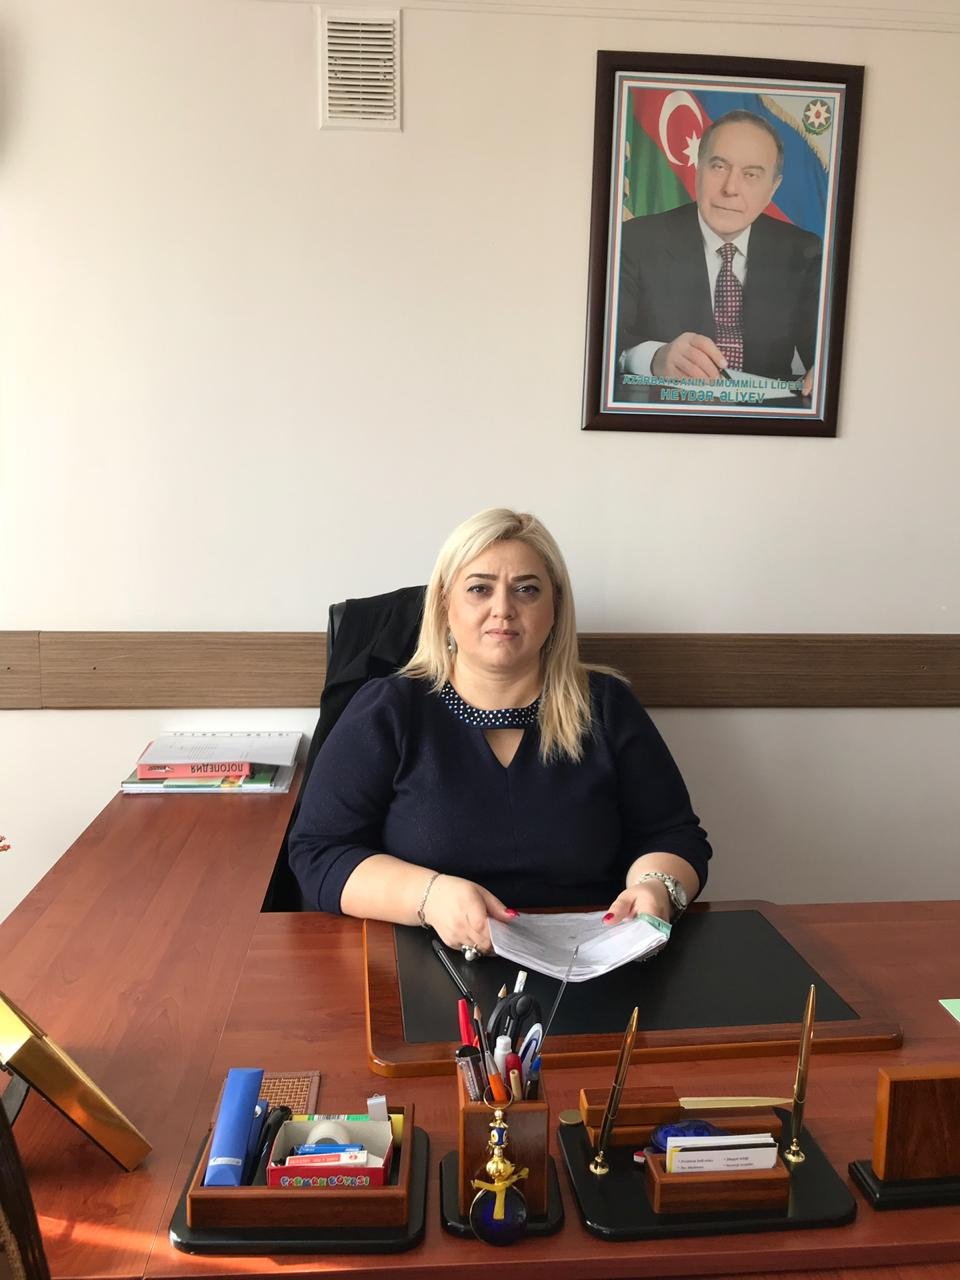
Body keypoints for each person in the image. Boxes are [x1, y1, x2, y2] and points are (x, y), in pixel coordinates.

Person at [288, 508, 711, 956]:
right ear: (444, 604)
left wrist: (657, 887)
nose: (503, 609)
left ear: (555, 607)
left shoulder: (606, 706)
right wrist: (429, 896)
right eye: (479, 589)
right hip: (423, 958)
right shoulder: (388, 710)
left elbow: (673, 834)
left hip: (588, 959)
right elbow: (318, 851)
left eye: (527, 589)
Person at [616, 109, 822, 388]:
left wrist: (825, 368)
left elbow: (826, 347)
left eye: (751, 174)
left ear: (773, 189)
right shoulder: (636, 240)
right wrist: (654, 358)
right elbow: (605, 340)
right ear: (698, 169)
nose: (730, 188)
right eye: (719, 167)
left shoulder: (803, 251)